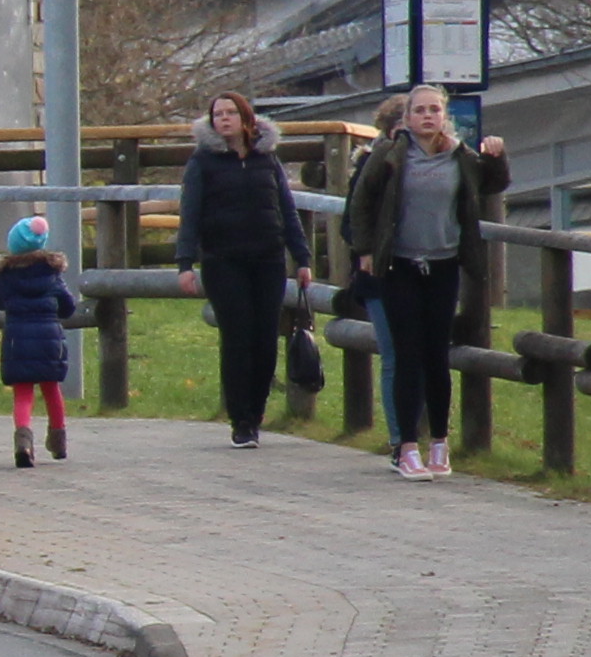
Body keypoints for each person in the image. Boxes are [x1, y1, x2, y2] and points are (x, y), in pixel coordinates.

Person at [342, 85, 508, 479]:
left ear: (444, 116)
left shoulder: (460, 156)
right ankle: (406, 447)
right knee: (407, 354)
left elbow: (491, 185)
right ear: (407, 119)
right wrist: (366, 250)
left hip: (443, 263)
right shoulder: (388, 155)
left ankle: (439, 442)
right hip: (399, 264)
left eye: (435, 110)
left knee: (437, 356)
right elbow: (360, 204)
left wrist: (497, 158)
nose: (428, 117)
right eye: (420, 111)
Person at [174, 91, 311, 449]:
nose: (224, 119)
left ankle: (257, 410)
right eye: (218, 114)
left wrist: (302, 258)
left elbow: (286, 208)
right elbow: (190, 215)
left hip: (267, 260)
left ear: (246, 118)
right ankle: (241, 420)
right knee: (237, 339)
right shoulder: (203, 162)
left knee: (265, 339)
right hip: (224, 261)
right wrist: (185, 263)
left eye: (230, 113)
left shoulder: (268, 160)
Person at [0, 212, 76, 466]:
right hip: (50, 339)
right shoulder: (52, 274)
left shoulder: (7, 276)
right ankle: (59, 441)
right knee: (52, 390)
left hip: (18, 340)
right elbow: (68, 306)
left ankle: (23, 444)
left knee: (23, 393)